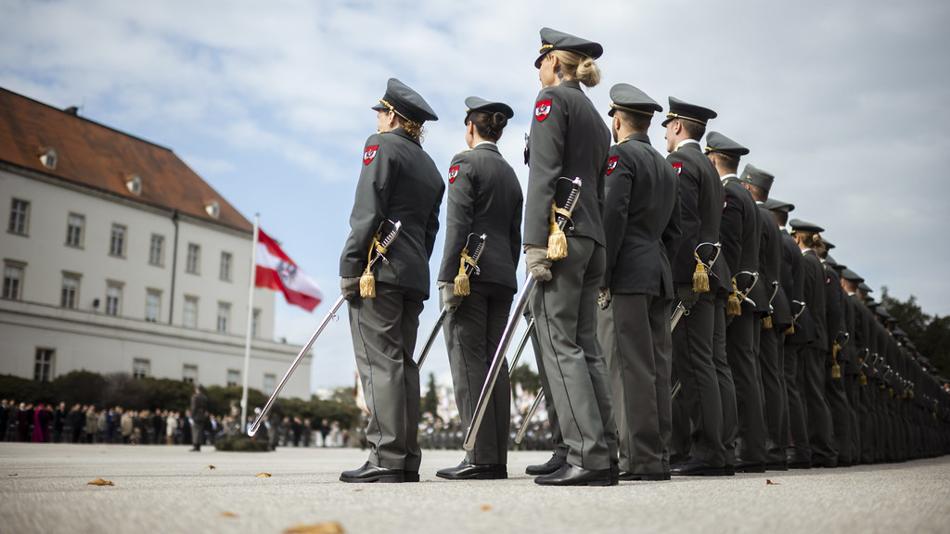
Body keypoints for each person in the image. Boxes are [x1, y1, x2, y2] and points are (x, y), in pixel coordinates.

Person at [522, 27, 616, 486]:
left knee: (560, 345)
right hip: (591, 237)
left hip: (561, 235)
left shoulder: (552, 101)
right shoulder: (596, 117)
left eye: (541, 62)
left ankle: (586, 455)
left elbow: (543, 173)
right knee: (587, 349)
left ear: (555, 62)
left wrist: (533, 243)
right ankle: (605, 451)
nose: (538, 71)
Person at [338, 77, 444, 483]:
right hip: (412, 273)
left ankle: (385, 455)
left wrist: (351, 265)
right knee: (403, 365)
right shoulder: (431, 167)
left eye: (381, 112)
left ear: (394, 116)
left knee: (379, 363)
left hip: (377, 271)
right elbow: (430, 229)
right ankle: (405, 458)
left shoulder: (380, 146)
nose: (378, 119)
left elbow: (367, 210)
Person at [435, 96, 521, 481]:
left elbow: (458, 224)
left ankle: (478, 456)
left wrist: (449, 276)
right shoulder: (510, 174)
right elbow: (515, 235)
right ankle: (496, 456)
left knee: (469, 363)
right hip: (502, 277)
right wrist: (507, 273)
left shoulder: (465, 163)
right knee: (495, 365)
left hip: (469, 275)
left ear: (471, 127)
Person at [596, 83, 679, 481]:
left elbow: (612, 218)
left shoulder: (620, 157)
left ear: (617, 120)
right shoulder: (665, 166)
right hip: (658, 272)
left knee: (629, 369)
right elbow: (675, 231)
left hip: (627, 272)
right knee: (657, 368)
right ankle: (658, 454)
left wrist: (602, 274)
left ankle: (638, 458)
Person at [663, 96, 728, 476]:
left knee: (692, 363)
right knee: (703, 362)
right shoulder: (706, 165)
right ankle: (710, 449)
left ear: (676, 126)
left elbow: (684, 225)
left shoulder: (682, 163)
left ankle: (708, 452)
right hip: (709, 271)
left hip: (691, 274)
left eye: (667, 127)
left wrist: (679, 278)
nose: (665, 135)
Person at [705, 132, 768, 472]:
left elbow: (727, 248)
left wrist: (722, 287)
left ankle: (748, 450)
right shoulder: (743, 194)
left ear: (713, 159)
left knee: (738, 372)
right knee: (746, 372)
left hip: (737, 293)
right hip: (750, 292)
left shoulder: (729, 193)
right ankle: (752, 449)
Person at [739, 165, 793, 471]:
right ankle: (773, 446)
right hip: (771, 299)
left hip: (756, 296)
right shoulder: (769, 220)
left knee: (755, 374)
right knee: (770, 377)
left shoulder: (756, 215)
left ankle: (763, 446)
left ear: (747, 187)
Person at [790, 219, 838, 467]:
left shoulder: (808, 262)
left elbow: (804, 299)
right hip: (818, 336)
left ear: (797, 237)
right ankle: (822, 450)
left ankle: (822, 450)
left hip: (811, 336)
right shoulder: (817, 263)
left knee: (812, 395)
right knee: (815, 394)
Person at [190, 386, 208, 451]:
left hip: (196, 416)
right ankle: (199, 446)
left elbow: (193, 407)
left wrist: (192, 415)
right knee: (200, 431)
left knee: (195, 431)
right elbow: (206, 408)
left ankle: (195, 445)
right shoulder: (205, 397)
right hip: (202, 416)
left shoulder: (195, 397)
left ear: (197, 390)